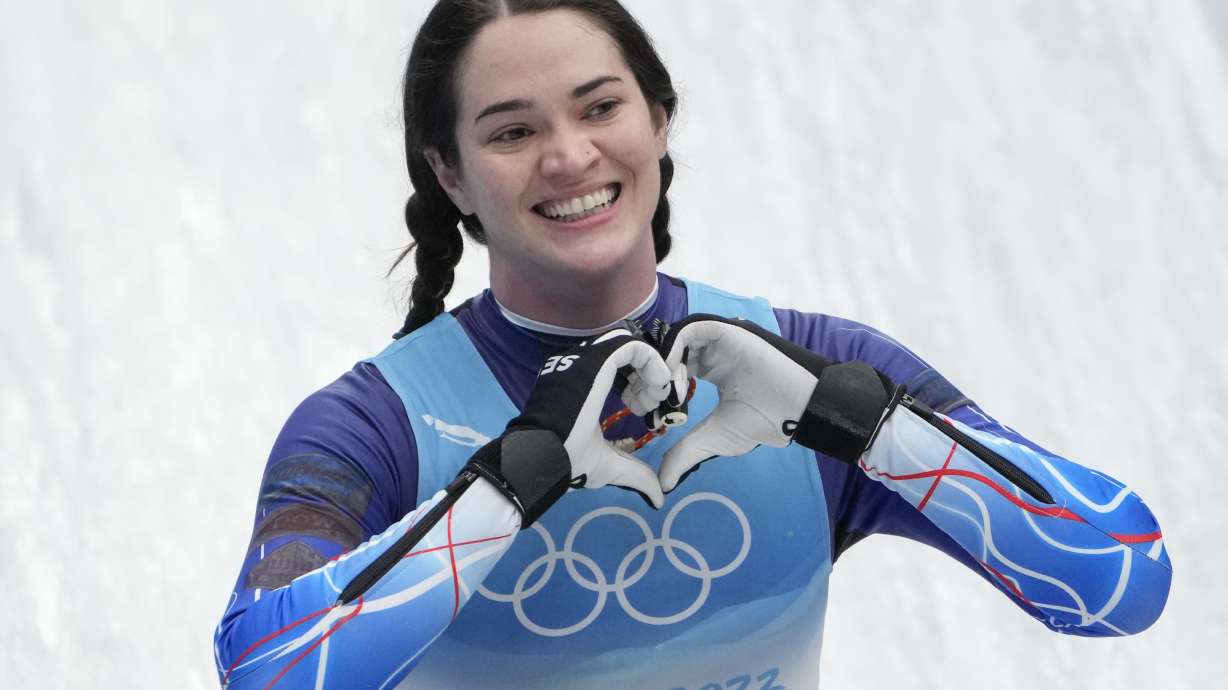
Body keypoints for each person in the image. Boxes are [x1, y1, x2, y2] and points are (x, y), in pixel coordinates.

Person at [212, 1, 1172, 687]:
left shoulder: (812, 361)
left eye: (599, 108)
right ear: (450, 175)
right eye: (512, 131)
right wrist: (506, 488)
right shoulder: (374, 427)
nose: (569, 156)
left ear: (659, 120)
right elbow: (266, 669)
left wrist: (858, 423)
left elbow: (1118, 580)